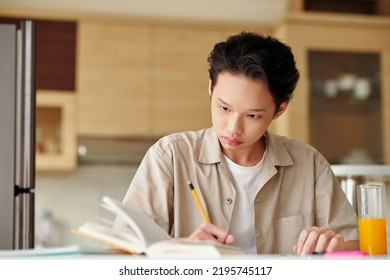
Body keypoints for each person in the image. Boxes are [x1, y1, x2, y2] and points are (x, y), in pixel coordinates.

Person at [115, 31, 359, 255]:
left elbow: (355, 244)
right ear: (211, 88)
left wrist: (337, 248)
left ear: (279, 109)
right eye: (224, 108)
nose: (233, 127)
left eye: (252, 115)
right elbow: (122, 247)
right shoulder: (169, 156)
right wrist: (182, 247)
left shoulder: (310, 164)